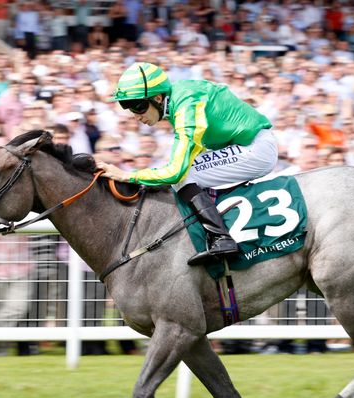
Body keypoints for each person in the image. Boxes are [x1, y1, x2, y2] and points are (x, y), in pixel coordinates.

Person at [97, 62, 278, 266]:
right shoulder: (178, 100)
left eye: (139, 106)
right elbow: (194, 153)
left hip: (256, 149)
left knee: (185, 177)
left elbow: (176, 172)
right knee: (187, 174)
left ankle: (221, 238)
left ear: (157, 98)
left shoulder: (186, 105)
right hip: (247, 145)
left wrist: (128, 176)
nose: (136, 116)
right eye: (129, 108)